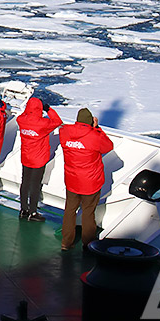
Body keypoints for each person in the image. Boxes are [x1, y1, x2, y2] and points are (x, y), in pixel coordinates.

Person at [59, 107, 115, 250]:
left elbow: (66, 130)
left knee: (70, 210)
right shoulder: (94, 136)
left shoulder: (64, 132)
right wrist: (97, 129)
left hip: (72, 180)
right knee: (88, 212)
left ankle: (66, 242)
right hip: (90, 182)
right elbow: (108, 146)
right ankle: (88, 243)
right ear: (91, 122)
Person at [15, 97, 61, 221]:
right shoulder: (43, 124)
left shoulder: (21, 120)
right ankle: (33, 212)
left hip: (26, 157)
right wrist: (48, 109)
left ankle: (23, 209)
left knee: (25, 183)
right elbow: (57, 121)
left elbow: (24, 115)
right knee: (35, 185)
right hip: (38, 159)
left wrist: (29, 111)